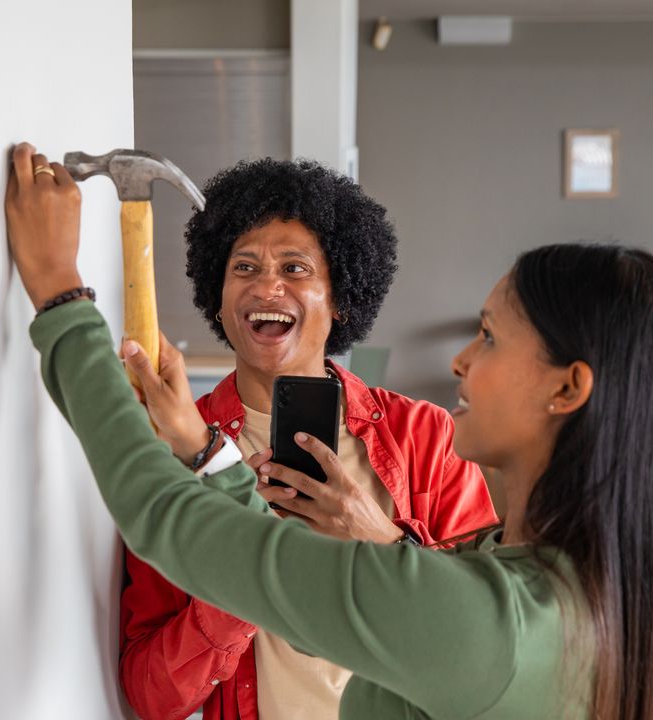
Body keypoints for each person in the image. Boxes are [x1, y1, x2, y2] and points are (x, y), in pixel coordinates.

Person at [5, 143, 653, 720]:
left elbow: (170, 517)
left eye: (490, 337)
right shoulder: (573, 597)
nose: (461, 359)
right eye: (246, 267)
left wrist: (59, 294)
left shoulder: (481, 621)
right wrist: (206, 451)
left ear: (568, 388)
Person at [118, 157, 497, 719]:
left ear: (340, 297)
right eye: (243, 268)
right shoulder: (171, 451)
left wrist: (377, 538)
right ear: (218, 300)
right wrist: (247, 572)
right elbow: (152, 694)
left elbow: (485, 639)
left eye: (295, 269)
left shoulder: (426, 437)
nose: (266, 285)